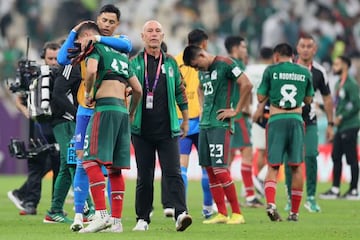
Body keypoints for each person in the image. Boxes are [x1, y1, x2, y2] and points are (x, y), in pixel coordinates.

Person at [56, 4, 132, 228]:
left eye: (111, 22)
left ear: (116, 24)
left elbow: (127, 44)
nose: (107, 25)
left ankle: (108, 215)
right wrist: (74, 32)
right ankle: (80, 215)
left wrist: (97, 39)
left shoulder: (115, 42)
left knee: (109, 165)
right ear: (97, 20)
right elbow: (62, 59)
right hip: (85, 109)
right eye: (104, 21)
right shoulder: (85, 46)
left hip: (106, 108)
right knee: (81, 160)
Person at [74, 22, 142, 233]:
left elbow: (92, 71)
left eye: (79, 39)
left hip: (104, 109)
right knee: (114, 168)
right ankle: (117, 222)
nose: (78, 44)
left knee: (89, 160)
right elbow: (138, 89)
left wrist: (88, 93)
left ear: (87, 36)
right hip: (122, 112)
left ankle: (101, 215)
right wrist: (131, 113)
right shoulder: (122, 57)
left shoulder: (96, 48)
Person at [130, 20, 192, 232]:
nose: (154, 34)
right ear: (142, 36)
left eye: (157, 31)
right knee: (144, 176)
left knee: (173, 173)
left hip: (168, 130)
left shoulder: (172, 63)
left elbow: (180, 92)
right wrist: (128, 116)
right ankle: (143, 218)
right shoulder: (134, 62)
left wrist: (185, 119)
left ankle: (181, 213)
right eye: (150, 31)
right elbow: (126, 92)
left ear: (163, 36)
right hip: (141, 130)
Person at [183, 44, 252, 224]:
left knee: (220, 169)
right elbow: (199, 88)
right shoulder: (202, 71)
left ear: (201, 54)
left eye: (197, 65)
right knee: (209, 169)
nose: (197, 69)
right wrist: (202, 106)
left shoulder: (226, 63)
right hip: (204, 123)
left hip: (220, 125)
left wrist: (236, 110)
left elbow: (247, 84)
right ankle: (221, 213)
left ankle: (237, 213)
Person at [161, 28, 215, 219]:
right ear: (205, 43)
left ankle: (180, 209)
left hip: (179, 119)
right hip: (203, 120)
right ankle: (208, 208)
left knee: (181, 168)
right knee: (207, 167)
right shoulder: (209, 63)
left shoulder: (175, 61)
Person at [257, 43, 314, 222]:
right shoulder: (305, 71)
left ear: (276, 56)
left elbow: (260, 97)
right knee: (296, 166)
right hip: (296, 120)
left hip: (276, 119)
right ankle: (294, 213)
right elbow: (309, 98)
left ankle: (271, 204)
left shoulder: (271, 70)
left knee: (273, 165)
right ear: (293, 55)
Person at [7, 42, 61, 215]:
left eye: (56, 58)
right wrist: (29, 113)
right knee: (37, 163)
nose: (53, 62)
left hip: (58, 125)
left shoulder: (64, 75)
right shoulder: (35, 76)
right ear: (43, 58)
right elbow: (19, 100)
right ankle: (30, 203)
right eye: (50, 58)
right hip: (39, 126)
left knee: (59, 165)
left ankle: (55, 207)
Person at [284, 34, 334, 212]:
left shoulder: (319, 72)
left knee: (311, 156)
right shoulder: (287, 68)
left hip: (309, 120)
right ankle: (290, 197)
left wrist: (330, 123)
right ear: (297, 49)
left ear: (315, 49)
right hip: (288, 120)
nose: (305, 49)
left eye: (309, 46)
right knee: (290, 161)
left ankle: (311, 197)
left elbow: (327, 99)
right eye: (302, 46)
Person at [43, 45, 84, 224]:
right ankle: (87, 209)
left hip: (69, 121)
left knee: (67, 164)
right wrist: (76, 114)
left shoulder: (79, 66)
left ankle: (55, 210)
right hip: (64, 121)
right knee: (73, 161)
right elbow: (59, 94)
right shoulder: (70, 66)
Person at [224, 35, 263, 207]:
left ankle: (227, 194)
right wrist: (245, 107)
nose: (245, 50)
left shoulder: (225, 63)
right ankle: (249, 196)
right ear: (235, 48)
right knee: (247, 153)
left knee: (229, 157)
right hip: (238, 117)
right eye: (243, 47)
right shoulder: (236, 65)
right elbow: (246, 86)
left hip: (229, 115)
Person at [319, 55, 360, 200]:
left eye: (337, 64)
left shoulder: (351, 84)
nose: (334, 66)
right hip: (341, 127)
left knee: (351, 158)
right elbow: (338, 106)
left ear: (345, 66)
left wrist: (341, 117)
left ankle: (354, 190)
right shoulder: (339, 84)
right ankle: (335, 189)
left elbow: (356, 104)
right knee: (336, 156)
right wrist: (323, 108)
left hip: (350, 125)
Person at [246, 47, 274, 194]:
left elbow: (244, 87)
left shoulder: (249, 69)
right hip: (268, 111)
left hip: (251, 111)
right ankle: (260, 177)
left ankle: (258, 179)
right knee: (275, 150)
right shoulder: (271, 69)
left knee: (261, 150)